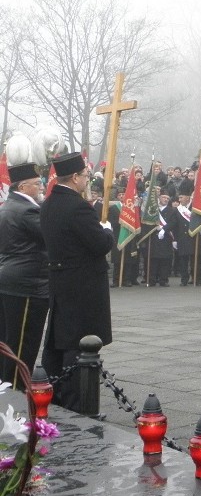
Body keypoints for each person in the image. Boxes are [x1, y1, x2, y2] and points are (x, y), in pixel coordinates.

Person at [40, 151, 114, 412]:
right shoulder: (79, 207)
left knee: (58, 343)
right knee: (80, 346)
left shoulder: (48, 204)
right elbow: (100, 244)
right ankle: (78, 404)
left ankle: (54, 396)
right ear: (74, 177)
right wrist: (106, 229)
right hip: (83, 287)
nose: (86, 180)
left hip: (60, 282)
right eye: (84, 176)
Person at [0, 135, 49, 385]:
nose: (41, 186)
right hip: (28, 283)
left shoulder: (6, 207)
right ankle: (17, 393)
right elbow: (50, 236)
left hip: (9, 280)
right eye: (36, 183)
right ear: (22, 187)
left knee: (7, 341)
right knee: (23, 344)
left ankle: (6, 386)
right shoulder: (28, 209)